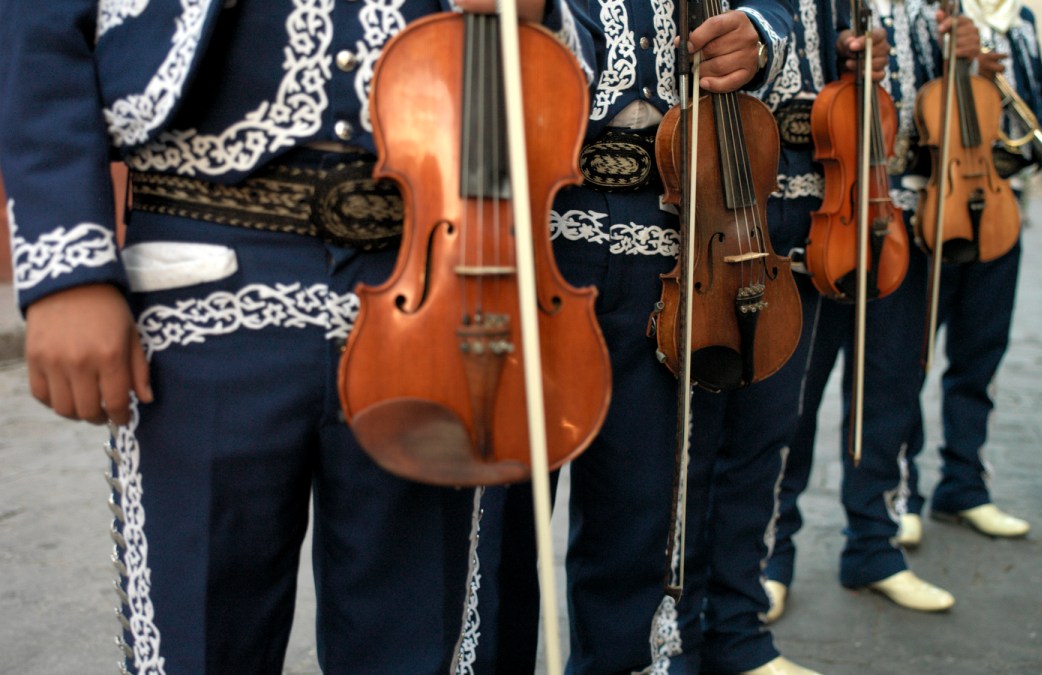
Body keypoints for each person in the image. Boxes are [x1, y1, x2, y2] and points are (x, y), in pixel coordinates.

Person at [0, 1, 592, 672]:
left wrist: (539, 14)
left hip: (434, 285)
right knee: (201, 641)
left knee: (414, 639)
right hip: (204, 267)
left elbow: (573, 60)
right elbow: (37, 26)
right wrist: (66, 263)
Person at [547, 2, 806, 672]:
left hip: (671, 230)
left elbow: (776, 12)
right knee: (500, 524)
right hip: (537, 217)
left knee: (644, 507)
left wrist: (757, 31)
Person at [761, 0, 981, 617]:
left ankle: (875, 546)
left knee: (891, 390)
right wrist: (846, 53)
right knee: (793, 403)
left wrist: (965, 58)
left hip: (903, 211)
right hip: (824, 213)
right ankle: (770, 555)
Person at [695, 4, 888, 673]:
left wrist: (862, 62)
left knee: (766, 435)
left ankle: (737, 628)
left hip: (812, 208)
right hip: (718, 185)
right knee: (690, 453)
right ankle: (677, 637)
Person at [887, 0, 1042, 547]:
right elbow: (915, 104)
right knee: (911, 359)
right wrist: (957, 63)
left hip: (1001, 203)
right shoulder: (932, 14)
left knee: (981, 355)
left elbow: (1037, 100)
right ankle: (902, 493)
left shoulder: (1015, 18)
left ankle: (965, 486)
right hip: (938, 207)